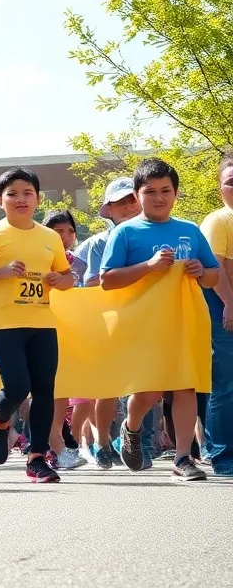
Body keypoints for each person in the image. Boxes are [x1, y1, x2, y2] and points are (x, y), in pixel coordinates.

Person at [99, 157, 219, 482]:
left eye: (165, 190)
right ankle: (131, 426)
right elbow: (107, 280)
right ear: (137, 195)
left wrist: (201, 271)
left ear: (176, 193)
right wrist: (149, 266)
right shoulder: (126, 233)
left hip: (184, 322)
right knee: (149, 391)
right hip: (141, 325)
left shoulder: (189, 230)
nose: (158, 197)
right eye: (150, 191)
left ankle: (183, 457)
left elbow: (213, 276)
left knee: (184, 386)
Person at [0, 167, 76, 484]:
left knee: (44, 390)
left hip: (41, 322)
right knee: (16, 387)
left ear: (38, 199)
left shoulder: (50, 237)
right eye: (12, 193)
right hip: (1, 323)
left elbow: (67, 278)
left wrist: (60, 280)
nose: (20, 199)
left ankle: (37, 459)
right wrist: (1, 273)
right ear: (0, 200)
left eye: (27, 193)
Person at [73, 177, 141, 469]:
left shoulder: (153, 235)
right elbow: (89, 283)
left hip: (145, 320)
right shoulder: (98, 243)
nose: (127, 206)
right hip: (107, 324)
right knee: (109, 387)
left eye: (131, 199)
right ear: (108, 210)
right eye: (119, 202)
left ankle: (133, 435)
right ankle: (102, 443)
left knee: (147, 383)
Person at [43, 209, 90, 472]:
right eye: (58, 230)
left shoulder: (77, 262)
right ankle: (54, 446)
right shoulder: (36, 256)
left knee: (62, 390)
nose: (65, 235)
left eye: (69, 230)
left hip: (70, 333)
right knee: (48, 390)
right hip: (41, 328)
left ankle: (57, 445)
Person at [200, 153, 233, 477]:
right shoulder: (218, 221)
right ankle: (221, 454)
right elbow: (215, 267)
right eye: (231, 181)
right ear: (220, 186)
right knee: (225, 384)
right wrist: (230, 304)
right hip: (223, 310)